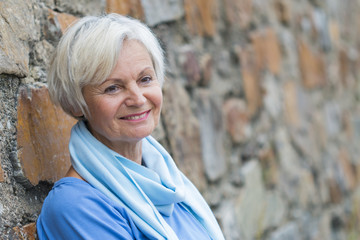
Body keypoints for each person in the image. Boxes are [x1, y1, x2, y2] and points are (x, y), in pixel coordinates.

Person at [36, 13, 225, 240]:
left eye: (145, 79)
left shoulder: (169, 185)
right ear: (75, 104)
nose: (137, 99)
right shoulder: (76, 207)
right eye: (113, 88)